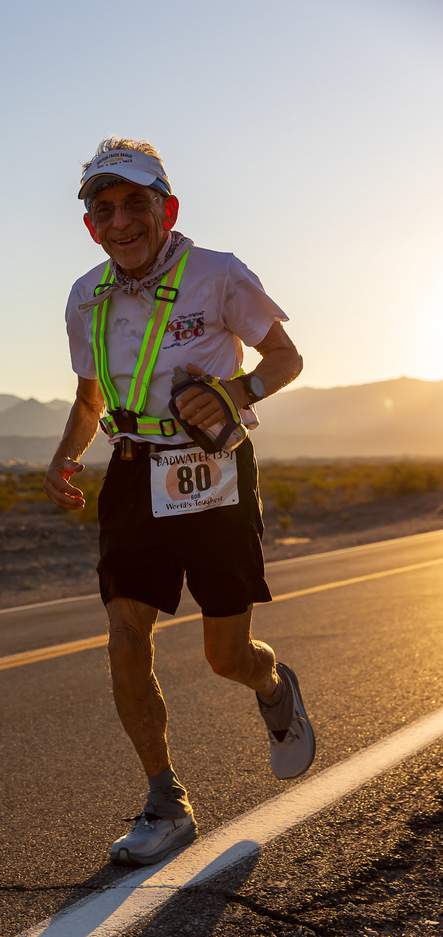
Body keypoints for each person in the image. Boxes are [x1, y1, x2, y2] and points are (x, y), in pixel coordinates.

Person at [43, 137, 315, 866]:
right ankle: (164, 800)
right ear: (91, 226)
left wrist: (236, 391)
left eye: (136, 203)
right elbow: (89, 395)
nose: (121, 220)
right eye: (104, 208)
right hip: (132, 470)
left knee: (224, 655)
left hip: (215, 470)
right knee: (125, 637)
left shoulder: (218, 275)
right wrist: (68, 455)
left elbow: (286, 359)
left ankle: (269, 680)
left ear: (166, 208)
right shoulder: (84, 295)